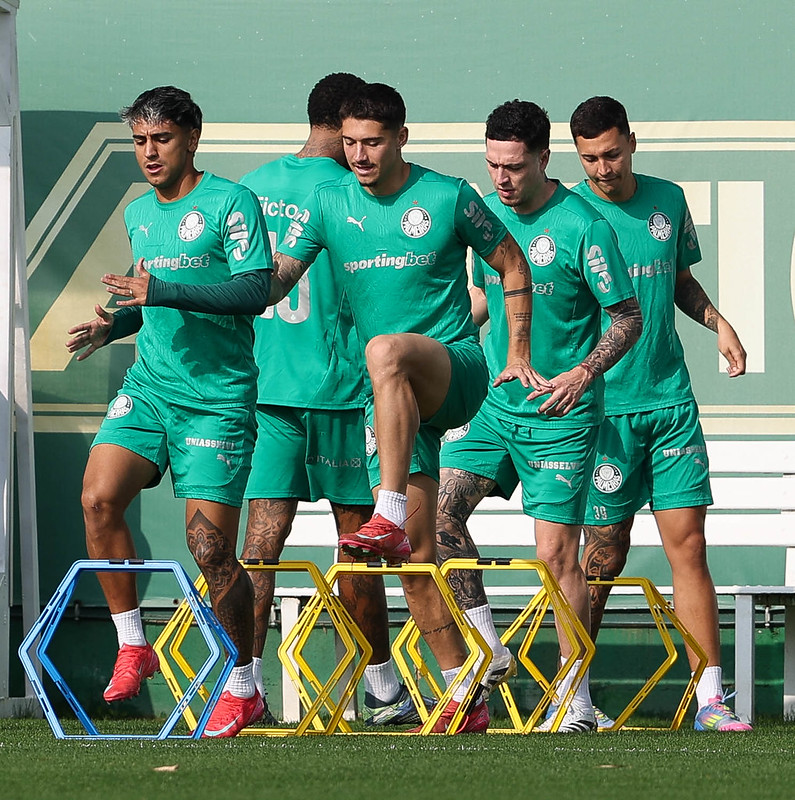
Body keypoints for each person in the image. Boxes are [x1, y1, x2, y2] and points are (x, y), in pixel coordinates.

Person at [267, 81, 548, 733]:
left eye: (372, 142)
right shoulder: (327, 202)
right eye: (350, 143)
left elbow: (512, 265)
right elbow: (275, 281)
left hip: (453, 369)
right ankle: (463, 692)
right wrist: (173, 288)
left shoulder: (447, 196)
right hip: (392, 405)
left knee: (386, 349)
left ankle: (387, 511)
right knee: (414, 559)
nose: (359, 155)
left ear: (400, 138)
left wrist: (517, 350)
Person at [65, 86, 272, 738]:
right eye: (139, 141)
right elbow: (147, 297)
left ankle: (243, 686)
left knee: (210, 547)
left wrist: (161, 289)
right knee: (98, 500)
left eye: (161, 139)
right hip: (150, 388)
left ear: (192, 138)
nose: (149, 153)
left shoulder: (231, 202)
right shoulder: (139, 213)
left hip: (215, 399)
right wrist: (116, 323)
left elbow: (254, 290)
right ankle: (133, 643)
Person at [435, 100, 642, 732]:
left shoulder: (584, 226)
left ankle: (575, 701)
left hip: (560, 414)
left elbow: (627, 318)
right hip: (494, 407)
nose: (502, 178)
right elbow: (481, 297)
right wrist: (437, 351)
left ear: (545, 159)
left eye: (515, 167)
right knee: (435, 516)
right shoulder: (483, 213)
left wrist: (583, 373)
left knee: (556, 558)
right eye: (492, 164)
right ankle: (487, 649)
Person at [238, 72, 429, 726]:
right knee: (359, 544)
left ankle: (242, 689)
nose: (361, 150)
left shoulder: (253, 186)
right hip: (346, 391)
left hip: (270, 390)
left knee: (260, 544)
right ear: (345, 126)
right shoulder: (352, 194)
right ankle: (382, 691)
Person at [569, 95, 751, 731]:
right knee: (603, 557)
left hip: (670, 402)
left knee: (689, 547)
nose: (603, 169)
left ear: (632, 143)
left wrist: (718, 324)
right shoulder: (569, 213)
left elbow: (678, 282)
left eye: (611, 154)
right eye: (589, 159)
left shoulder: (668, 200)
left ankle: (711, 701)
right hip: (602, 413)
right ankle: (575, 695)